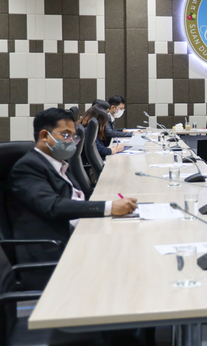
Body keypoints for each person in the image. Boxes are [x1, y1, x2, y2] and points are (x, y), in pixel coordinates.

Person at [9, 109, 136, 276]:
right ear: (45, 135)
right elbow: (53, 206)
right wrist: (109, 207)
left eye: (73, 137)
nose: (71, 142)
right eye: (66, 135)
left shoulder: (58, 163)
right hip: (53, 254)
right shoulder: (28, 167)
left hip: (79, 236)